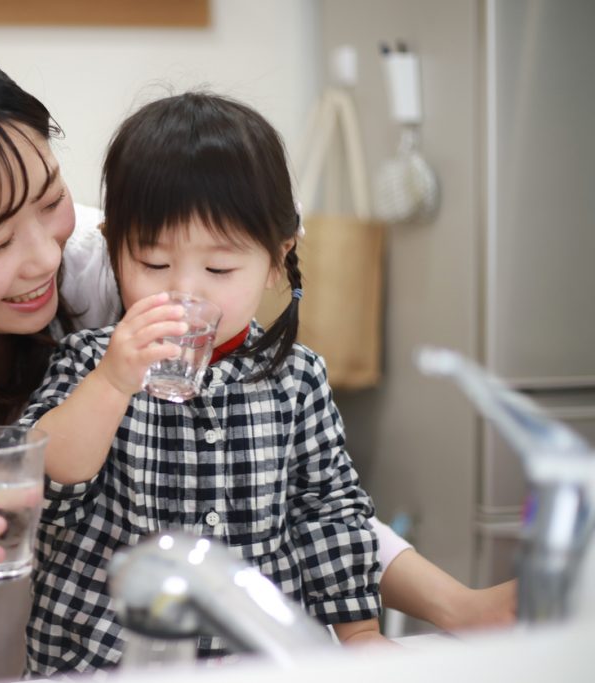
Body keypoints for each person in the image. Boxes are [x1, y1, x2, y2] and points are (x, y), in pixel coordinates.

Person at [0, 27, 512, 683]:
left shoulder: (111, 259)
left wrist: (450, 605)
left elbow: (281, 478)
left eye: (50, 197)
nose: (43, 256)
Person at [19, 92, 396, 675]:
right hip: (106, 660)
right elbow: (45, 484)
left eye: (219, 269)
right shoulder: (89, 361)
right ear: (115, 249)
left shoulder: (298, 380)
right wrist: (114, 382)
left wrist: (361, 633)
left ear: (277, 259)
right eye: (151, 262)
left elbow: (330, 515)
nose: (182, 291)